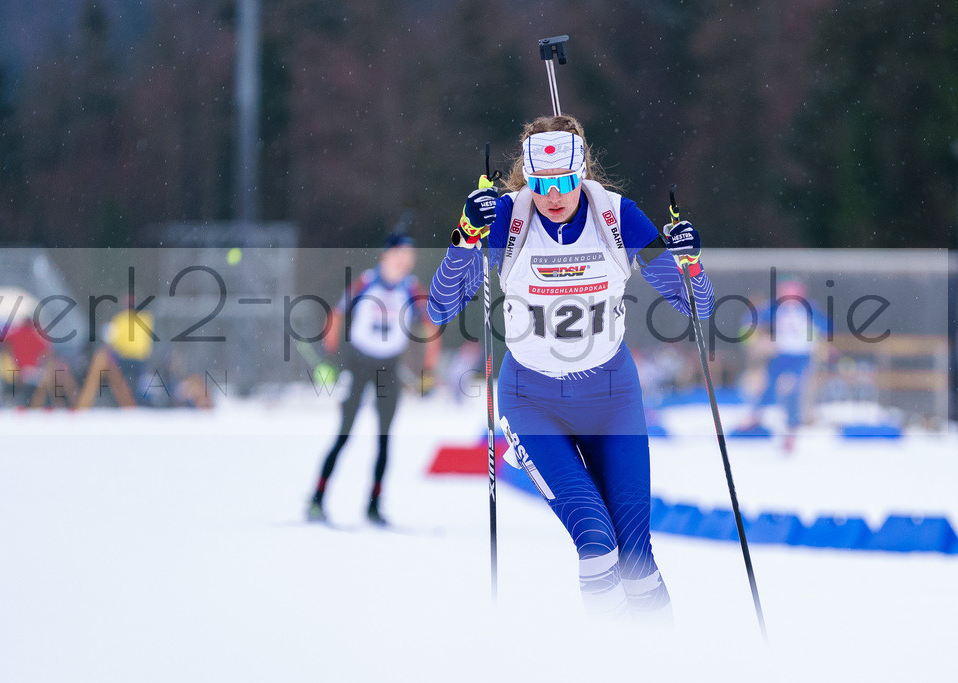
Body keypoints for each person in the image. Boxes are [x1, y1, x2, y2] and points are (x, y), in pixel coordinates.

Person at [426, 115, 714, 620]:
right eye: (540, 183)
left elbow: (698, 306)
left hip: (612, 399)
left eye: (563, 182)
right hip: (534, 402)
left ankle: (667, 663)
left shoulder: (617, 217)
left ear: (582, 173)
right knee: (597, 543)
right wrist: (466, 233)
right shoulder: (507, 220)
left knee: (636, 559)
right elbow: (440, 308)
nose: (552, 195)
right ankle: (607, 663)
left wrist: (690, 259)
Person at [307, 233, 441, 526]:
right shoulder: (366, 282)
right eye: (400, 255)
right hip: (358, 364)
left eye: (410, 256)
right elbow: (336, 315)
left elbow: (431, 327)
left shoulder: (411, 289)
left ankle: (374, 506)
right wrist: (328, 358)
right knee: (344, 435)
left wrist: (428, 370)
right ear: (386, 256)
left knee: (384, 439)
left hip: (388, 368)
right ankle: (316, 499)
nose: (406, 261)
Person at [738, 278, 830, 452]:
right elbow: (751, 320)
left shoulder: (810, 309)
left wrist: (820, 341)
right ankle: (755, 416)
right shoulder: (773, 307)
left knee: (795, 390)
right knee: (768, 386)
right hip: (780, 354)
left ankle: (791, 430)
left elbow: (823, 326)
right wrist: (760, 338)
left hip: (802, 356)